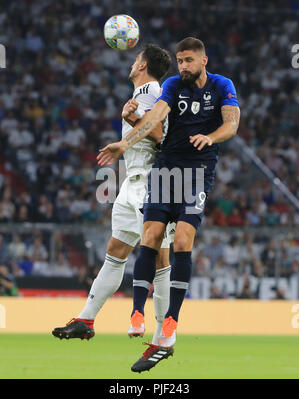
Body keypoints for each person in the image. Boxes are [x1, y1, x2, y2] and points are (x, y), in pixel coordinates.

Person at [98, 37, 240, 372]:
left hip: (197, 173)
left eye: (189, 60)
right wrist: (123, 143)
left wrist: (211, 137)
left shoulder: (222, 85)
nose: (183, 67)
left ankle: (172, 320)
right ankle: (137, 312)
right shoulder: (173, 85)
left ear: (204, 61)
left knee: (181, 241)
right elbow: (154, 120)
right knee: (149, 237)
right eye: (179, 60)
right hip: (165, 169)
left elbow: (232, 124)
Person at [52, 44, 175, 347]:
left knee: (160, 258)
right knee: (115, 252)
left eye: (136, 60)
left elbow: (159, 135)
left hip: (151, 183)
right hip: (132, 184)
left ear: (143, 65)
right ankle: (86, 318)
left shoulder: (150, 92)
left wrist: (131, 118)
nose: (132, 64)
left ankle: (162, 337)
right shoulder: (145, 92)